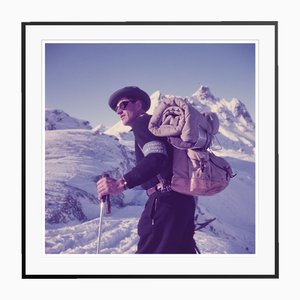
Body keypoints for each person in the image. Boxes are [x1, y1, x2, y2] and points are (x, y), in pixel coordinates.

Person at [97, 86, 197, 254]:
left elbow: (157, 157)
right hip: (183, 202)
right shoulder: (158, 127)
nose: (118, 111)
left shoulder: (142, 123)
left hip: (165, 203)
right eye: (116, 109)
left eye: (123, 105)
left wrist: (121, 183)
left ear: (138, 105)